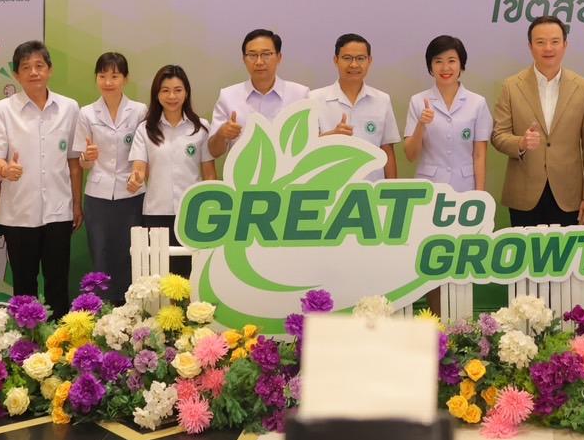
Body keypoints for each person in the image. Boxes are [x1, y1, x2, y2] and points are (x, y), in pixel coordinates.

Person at [0, 40, 89, 318]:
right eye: (26, 67)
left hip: (58, 209)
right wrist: (5, 169)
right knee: (24, 282)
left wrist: (76, 203)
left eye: (39, 66)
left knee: (57, 280)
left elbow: (73, 162)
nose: (33, 72)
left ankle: (60, 336)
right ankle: (27, 336)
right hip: (19, 212)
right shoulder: (3, 110)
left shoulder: (69, 108)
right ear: (16, 74)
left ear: (49, 70)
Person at [490, 16, 584, 226]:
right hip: (524, 193)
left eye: (555, 41)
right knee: (525, 249)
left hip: (569, 195)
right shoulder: (511, 86)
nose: (548, 48)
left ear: (565, 45)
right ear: (530, 46)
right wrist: (521, 143)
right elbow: (498, 135)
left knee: (566, 249)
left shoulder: (583, 87)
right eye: (540, 42)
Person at [129, 65, 213, 279]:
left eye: (177, 90)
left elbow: (210, 175)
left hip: (193, 214)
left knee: (193, 277)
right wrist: (135, 179)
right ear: (156, 94)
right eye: (165, 90)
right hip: (156, 213)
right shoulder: (145, 129)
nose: (172, 96)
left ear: (186, 92)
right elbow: (139, 169)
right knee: (160, 279)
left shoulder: (201, 128)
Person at [79, 51, 146, 301]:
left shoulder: (139, 111)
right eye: (102, 76)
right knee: (101, 254)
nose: (108, 82)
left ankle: (132, 309)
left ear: (125, 79)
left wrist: (138, 177)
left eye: (115, 76)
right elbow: (83, 163)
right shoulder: (86, 113)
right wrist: (88, 156)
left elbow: (145, 152)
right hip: (98, 195)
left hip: (132, 194)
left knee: (131, 254)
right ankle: (104, 311)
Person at [404, 35, 491, 194]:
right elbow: (410, 155)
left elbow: (479, 155)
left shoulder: (477, 103)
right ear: (430, 66)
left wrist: (479, 195)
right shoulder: (417, 101)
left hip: (465, 187)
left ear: (461, 65)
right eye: (438, 61)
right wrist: (421, 124)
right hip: (430, 188)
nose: (445, 68)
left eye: (451, 61)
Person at [208, 30, 310, 161]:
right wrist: (222, 134)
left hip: (288, 172)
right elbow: (214, 152)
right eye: (252, 55)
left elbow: (310, 142)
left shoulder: (300, 95)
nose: (259, 61)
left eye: (266, 54)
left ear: (279, 57)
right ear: (244, 59)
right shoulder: (228, 96)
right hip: (243, 173)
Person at [312, 34, 400, 181]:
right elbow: (304, 150)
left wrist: (391, 189)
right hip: (329, 186)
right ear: (336, 60)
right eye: (347, 58)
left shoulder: (382, 100)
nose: (354, 65)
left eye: (360, 58)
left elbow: (387, 150)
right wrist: (330, 137)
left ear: (369, 61)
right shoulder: (314, 99)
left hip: (371, 188)